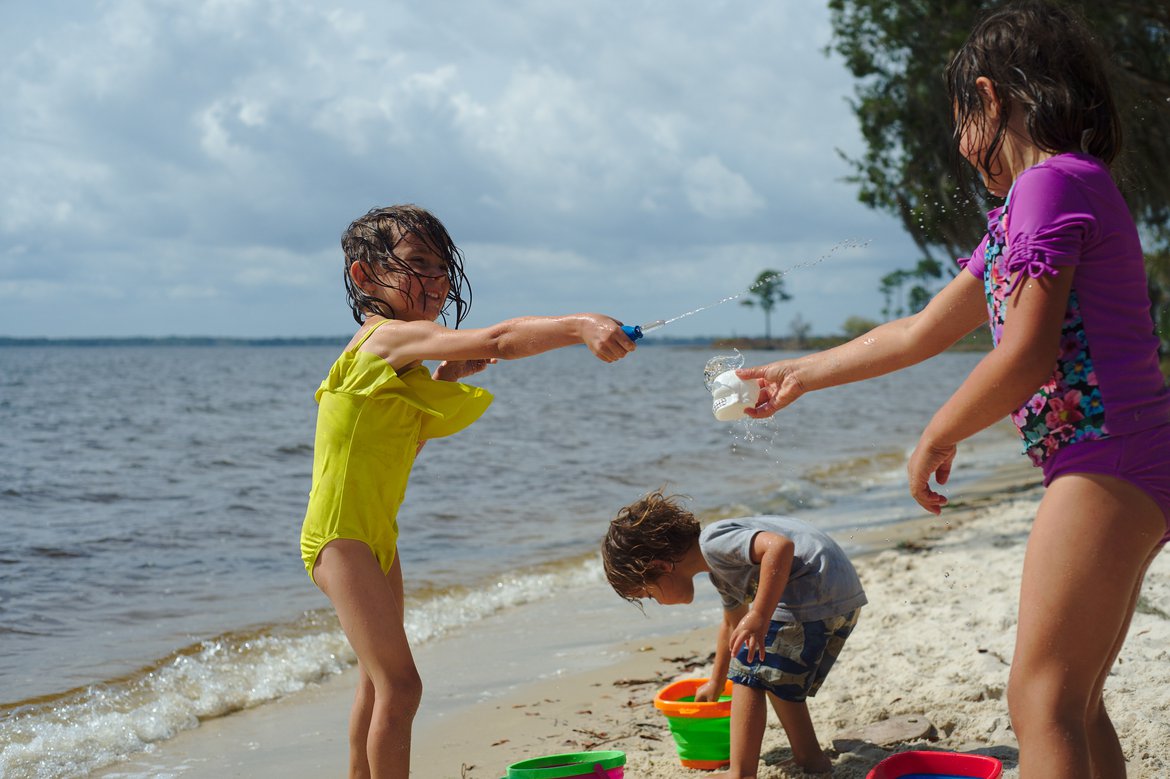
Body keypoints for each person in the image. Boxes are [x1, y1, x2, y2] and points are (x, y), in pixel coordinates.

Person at [737, 3, 1170, 777]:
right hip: (1128, 456)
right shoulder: (1036, 205)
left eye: (961, 119)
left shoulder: (1052, 184)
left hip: (1108, 459)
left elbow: (1029, 352)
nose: (961, 145)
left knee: (1039, 701)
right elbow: (920, 329)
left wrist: (939, 430)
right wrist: (798, 372)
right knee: (1073, 698)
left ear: (990, 97)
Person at [300, 204, 636, 779]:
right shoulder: (385, 339)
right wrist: (580, 324)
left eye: (442, 268)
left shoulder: (398, 365)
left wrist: (446, 379)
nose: (437, 281)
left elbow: (401, 451)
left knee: (376, 684)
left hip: (376, 536)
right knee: (401, 687)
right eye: (417, 264)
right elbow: (501, 339)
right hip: (342, 537)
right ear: (363, 277)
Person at [602, 489, 867, 777]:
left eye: (649, 595)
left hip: (812, 588)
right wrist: (715, 681)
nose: (655, 602)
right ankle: (810, 758)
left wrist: (760, 615)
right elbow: (732, 622)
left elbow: (779, 548)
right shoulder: (722, 574)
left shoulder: (713, 542)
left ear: (661, 567)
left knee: (749, 673)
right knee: (774, 676)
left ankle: (740, 773)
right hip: (838, 594)